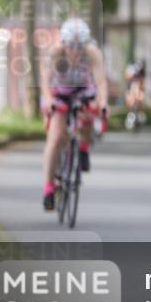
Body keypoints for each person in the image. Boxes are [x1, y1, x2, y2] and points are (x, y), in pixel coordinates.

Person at [40, 18, 109, 211]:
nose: (76, 51)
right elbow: (45, 81)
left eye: (80, 46)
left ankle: (84, 148)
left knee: (89, 112)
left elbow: (100, 81)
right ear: (64, 42)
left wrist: (103, 102)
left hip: (82, 91)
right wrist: (49, 100)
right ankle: (49, 188)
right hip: (59, 93)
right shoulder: (55, 53)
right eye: (71, 46)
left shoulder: (92, 53)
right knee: (56, 138)